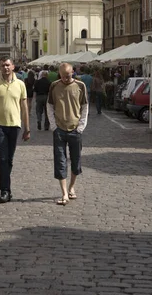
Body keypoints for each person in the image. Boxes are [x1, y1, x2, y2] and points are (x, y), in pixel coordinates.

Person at [0, 57, 30, 204]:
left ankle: (6, 186)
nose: (5, 68)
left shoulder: (20, 85)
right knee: (3, 158)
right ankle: (5, 190)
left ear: (13, 67)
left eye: (7, 65)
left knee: (9, 159)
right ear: (0, 67)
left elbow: (24, 108)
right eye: (3, 65)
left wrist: (27, 128)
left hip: (15, 125)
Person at [47, 63, 88, 206]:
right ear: (59, 74)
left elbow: (85, 107)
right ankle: (64, 192)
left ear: (73, 73)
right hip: (59, 129)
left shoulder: (80, 86)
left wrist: (81, 127)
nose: (65, 79)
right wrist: (53, 126)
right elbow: (50, 106)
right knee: (60, 161)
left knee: (76, 161)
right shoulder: (54, 86)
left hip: (75, 129)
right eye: (63, 76)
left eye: (68, 76)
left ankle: (71, 187)